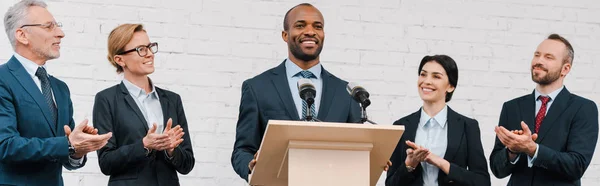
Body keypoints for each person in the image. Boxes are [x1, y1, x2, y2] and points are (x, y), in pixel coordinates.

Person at [230, 3, 362, 181]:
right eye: (300, 25)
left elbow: (357, 147)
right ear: (285, 35)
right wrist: (251, 165)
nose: (310, 31)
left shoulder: (346, 92)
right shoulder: (257, 87)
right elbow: (242, 150)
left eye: (317, 26)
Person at [0, 1, 112, 185]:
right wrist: (68, 144)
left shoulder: (60, 88)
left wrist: (78, 150)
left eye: (57, 26)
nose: (60, 33)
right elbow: (5, 145)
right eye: (49, 26)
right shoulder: (3, 79)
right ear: (22, 35)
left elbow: (66, 156)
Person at [489, 34, 598, 186]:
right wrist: (512, 151)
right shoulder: (512, 107)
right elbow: (497, 169)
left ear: (565, 69)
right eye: (537, 55)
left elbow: (576, 166)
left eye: (549, 57)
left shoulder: (583, 108)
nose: (538, 61)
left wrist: (533, 150)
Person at [93, 24, 194, 186]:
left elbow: (188, 164)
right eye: (141, 49)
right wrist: (144, 145)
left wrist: (171, 150)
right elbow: (106, 163)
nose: (149, 54)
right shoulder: (107, 99)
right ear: (120, 59)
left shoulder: (172, 100)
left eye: (150, 47)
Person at [386, 55, 490, 186]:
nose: (427, 81)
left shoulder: (467, 126)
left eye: (436, 76)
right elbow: (390, 184)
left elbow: (482, 181)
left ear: (450, 86)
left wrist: (441, 163)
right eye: (423, 75)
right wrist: (409, 165)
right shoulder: (401, 126)